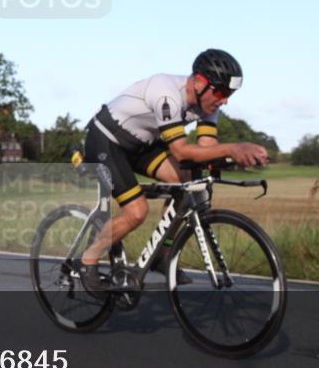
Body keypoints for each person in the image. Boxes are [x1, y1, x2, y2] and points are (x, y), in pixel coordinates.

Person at [78, 48, 269, 296]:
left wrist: (236, 157)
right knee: (136, 211)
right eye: (222, 92)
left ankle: (163, 253)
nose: (225, 100)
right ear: (200, 82)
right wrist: (234, 147)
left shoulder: (210, 104)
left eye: (229, 94)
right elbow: (180, 152)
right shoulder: (166, 92)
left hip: (143, 145)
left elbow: (206, 149)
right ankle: (88, 261)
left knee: (190, 182)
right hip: (106, 140)